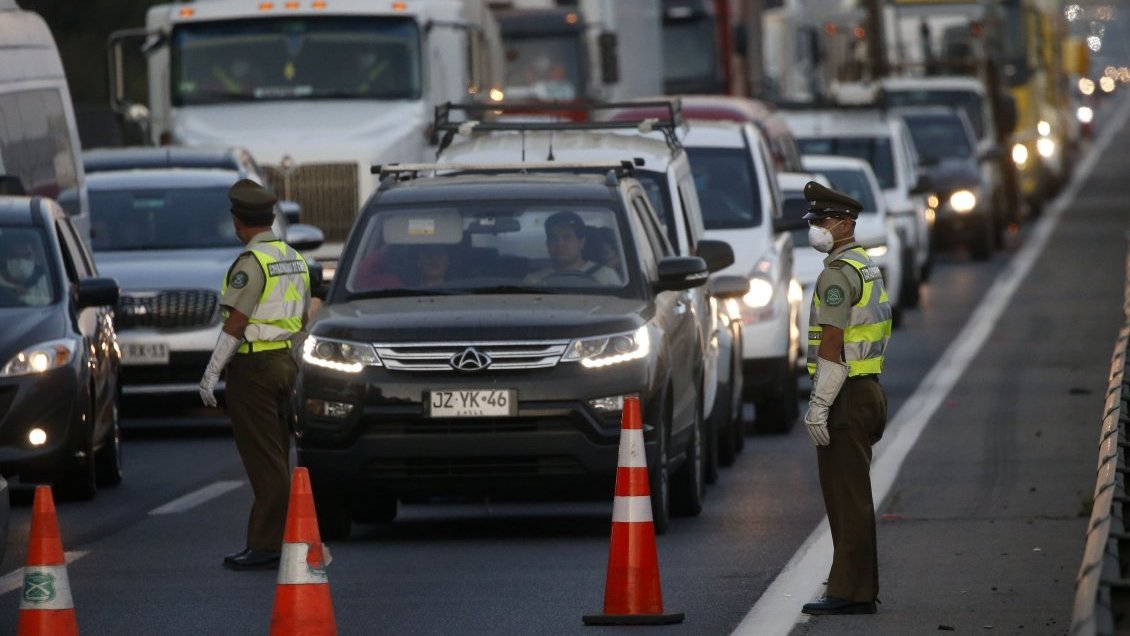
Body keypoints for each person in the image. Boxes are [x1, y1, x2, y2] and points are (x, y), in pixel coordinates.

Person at [198, 179, 311, 571]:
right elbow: (302, 320)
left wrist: (212, 372)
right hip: (284, 363)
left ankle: (266, 544)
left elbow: (236, 322)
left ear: (237, 220)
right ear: (271, 217)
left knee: (264, 460)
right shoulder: (293, 258)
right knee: (277, 453)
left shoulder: (252, 263)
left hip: (254, 369)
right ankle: (277, 539)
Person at [799, 180, 892, 616]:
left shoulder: (836, 274)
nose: (816, 228)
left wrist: (819, 404)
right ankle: (856, 587)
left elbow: (832, 341)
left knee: (845, 497)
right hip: (866, 388)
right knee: (852, 494)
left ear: (846, 224)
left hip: (845, 395)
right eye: (815, 220)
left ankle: (851, 592)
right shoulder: (865, 265)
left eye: (823, 220)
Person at [524, 211, 620, 285]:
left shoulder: (605, 277)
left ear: (581, 242)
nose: (559, 243)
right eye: (553, 238)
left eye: (567, 237)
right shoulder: (534, 281)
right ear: (547, 244)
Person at [0, 232, 51, 306]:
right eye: (14, 256)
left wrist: (25, 297)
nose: (21, 261)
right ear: (3, 258)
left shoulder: (47, 284)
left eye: (27, 256)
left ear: (35, 257)